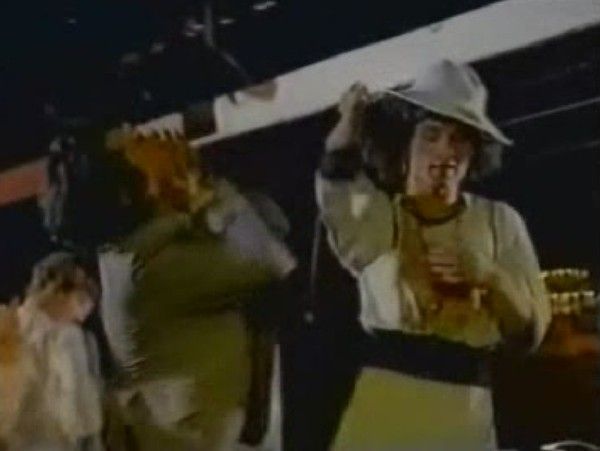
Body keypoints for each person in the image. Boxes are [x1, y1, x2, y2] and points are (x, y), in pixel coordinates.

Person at [315, 59, 551, 450]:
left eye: (460, 139)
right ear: (405, 147)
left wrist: (490, 277)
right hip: (384, 404)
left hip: (464, 410)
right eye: (431, 134)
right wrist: (349, 124)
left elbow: (527, 334)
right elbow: (337, 181)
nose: (446, 150)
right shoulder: (377, 216)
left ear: (475, 153)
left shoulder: (500, 221)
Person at [0, 252, 104, 451]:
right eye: (82, 298)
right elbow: (80, 416)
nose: (81, 314)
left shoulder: (11, 325)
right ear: (56, 289)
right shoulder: (66, 337)